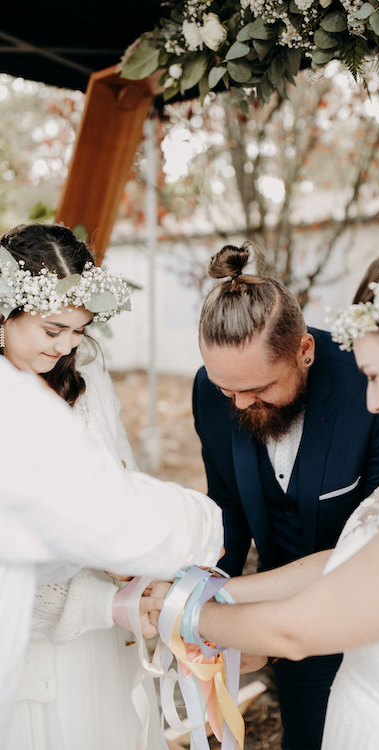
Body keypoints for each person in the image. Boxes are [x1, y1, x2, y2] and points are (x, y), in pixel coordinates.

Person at [153, 240, 379, 749]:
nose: (373, 399)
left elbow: (298, 628)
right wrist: (212, 590)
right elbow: (355, 556)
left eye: (377, 377)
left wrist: (181, 613)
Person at [0, 224, 223, 749]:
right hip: (31, 642)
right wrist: (104, 598)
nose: (66, 346)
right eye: (52, 330)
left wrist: (134, 573)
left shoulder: (87, 369)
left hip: (106, 631)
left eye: (79, 330)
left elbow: (119, 480)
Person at [192, 244, 379, 749]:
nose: (240, 404)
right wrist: (214, 608)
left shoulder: (371, 392)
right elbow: (226, 506)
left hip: (378, 609)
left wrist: (238, 617)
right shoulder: (213, 390)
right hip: (276, 614)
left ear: (305, 351)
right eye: (226, 390)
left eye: (258, 388)